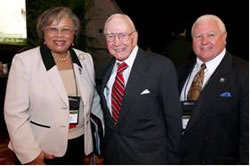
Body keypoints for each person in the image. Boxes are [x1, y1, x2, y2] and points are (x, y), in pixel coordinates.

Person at [4, 6, 104, 165]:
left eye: (66, 29)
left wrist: (97, 146)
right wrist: (32, 155)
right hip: (41, 148)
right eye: (53, 29)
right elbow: (14, 113)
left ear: (74, 34)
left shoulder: (85, 59)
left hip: (78, 146)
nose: (59, 35)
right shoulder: (25, 61)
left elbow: (94, 103)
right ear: (43, 33)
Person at [100, 13, 182, 164]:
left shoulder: (161, 67)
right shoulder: (105, 70)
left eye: (122, 35)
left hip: (150, 158)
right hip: (114, 157)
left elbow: (173, 120)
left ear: (135, 37)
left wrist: (173, 160)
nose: (116, 42)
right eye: (110, 36)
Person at [178, 14, 249, 164]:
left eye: (211, 35)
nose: (204, 41)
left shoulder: (244, 73)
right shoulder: (180, 72)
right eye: (198, 36)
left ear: (224, 37)